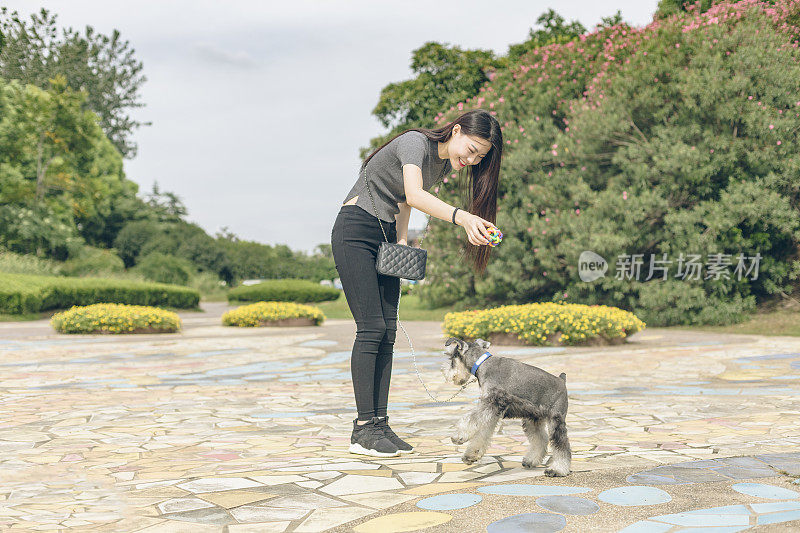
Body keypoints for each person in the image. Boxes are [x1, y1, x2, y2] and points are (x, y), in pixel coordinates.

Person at [330, 109, 503, 457]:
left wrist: (404, 241)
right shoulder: (414, 143)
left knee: (388, 331)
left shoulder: (439, 166)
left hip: (386, 234)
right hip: (356, 230)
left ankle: (379, 423)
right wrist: (464, 217)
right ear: (455, 131)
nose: (470, 160)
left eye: (479, 157)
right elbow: (412, 193)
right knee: (371, 328)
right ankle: (363, 428)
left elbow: (402, 202)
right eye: (470, 149)